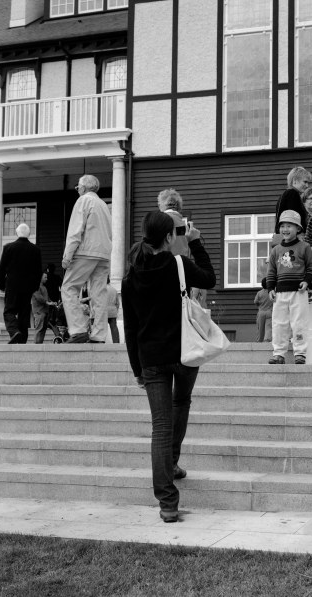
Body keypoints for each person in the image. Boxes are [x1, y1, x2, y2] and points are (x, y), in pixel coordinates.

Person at [122, 210, 216, 523]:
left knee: (160, 426)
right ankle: (172, 461)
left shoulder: (130, 277)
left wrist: (136, 369)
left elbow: (131, 328)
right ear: (168, 236)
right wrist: (196, 242)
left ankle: (167, 502)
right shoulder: (178, 264)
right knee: (182, 402)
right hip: (185, 352)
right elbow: (210, 278)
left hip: (150, 359)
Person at [61, 174, 112, 343]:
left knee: (69, 287)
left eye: (78, 187)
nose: (77, 190)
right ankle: (99, 335)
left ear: (83, 187)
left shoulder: (83, 201)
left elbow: (75, 230)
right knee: (99, 293)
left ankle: (78, 329)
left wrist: (67, 256)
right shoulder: (103, 204)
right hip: (104, 253)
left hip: (86, 251)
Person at [266, 210, 312, 365]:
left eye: (289, 226)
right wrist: (270, 288)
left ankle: (300, 353)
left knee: (299, 322)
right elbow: (271, 271)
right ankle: (278, 353)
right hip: (280, 293)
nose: (285, 229)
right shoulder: (276, 250)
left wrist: (307, 281)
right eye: (282, 226)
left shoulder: (304, 247)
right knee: (279, 323)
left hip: (298, 292)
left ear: (298, 228)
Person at [158, 188, 206, 308]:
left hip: (164, 273)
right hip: (183, 273)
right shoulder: (185, 225)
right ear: (179, 206)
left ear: (161, 204)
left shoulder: (160, 222)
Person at [0, 223, 42, 344]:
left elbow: (1, 269)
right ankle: (22, 340)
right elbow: (38, 271)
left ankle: (14, 331)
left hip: (12, 285)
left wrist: (1, 285)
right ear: (29, 234)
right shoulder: (35, 250)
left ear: (17, 233)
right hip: (28, 287)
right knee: (24, 313)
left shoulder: (8, 247)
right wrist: (35, 287)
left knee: (9, 311)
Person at [273, 166, 312, 241]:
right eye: (305, 182)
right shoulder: (292, 194)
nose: (307, 185)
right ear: (295, 180)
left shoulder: (286, 194)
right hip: (294, 238)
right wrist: (300, 232)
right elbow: (294, 218)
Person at [31, 271, 57, 344]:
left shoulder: (44, 287)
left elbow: (47, 298)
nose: (46, 279)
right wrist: (47, 302)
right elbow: (38, 297)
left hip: (45, 311)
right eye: (45, 277)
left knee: (43, 330)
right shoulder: (36, 286)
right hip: (39, 311)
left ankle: (39, 344)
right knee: (39, 328)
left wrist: (52, 302)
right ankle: (36, 346)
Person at [253, 277, 273, 342]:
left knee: (260, 327)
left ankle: (260, 340)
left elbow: (255, 301)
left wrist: (259, 305)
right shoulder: (271, 293)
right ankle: (267, 339)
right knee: (268, 327)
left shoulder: (259, 293)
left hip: (261, 312)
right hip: (269, 312)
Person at [107, 277, 121, 343]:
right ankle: (116, 342)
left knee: (101, 328)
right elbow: (117, 303)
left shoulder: (101, 289)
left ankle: (100, 342)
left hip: (103, 311)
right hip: (113, 311)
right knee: (114, 327)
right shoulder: (114, 290)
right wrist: (116, 310)